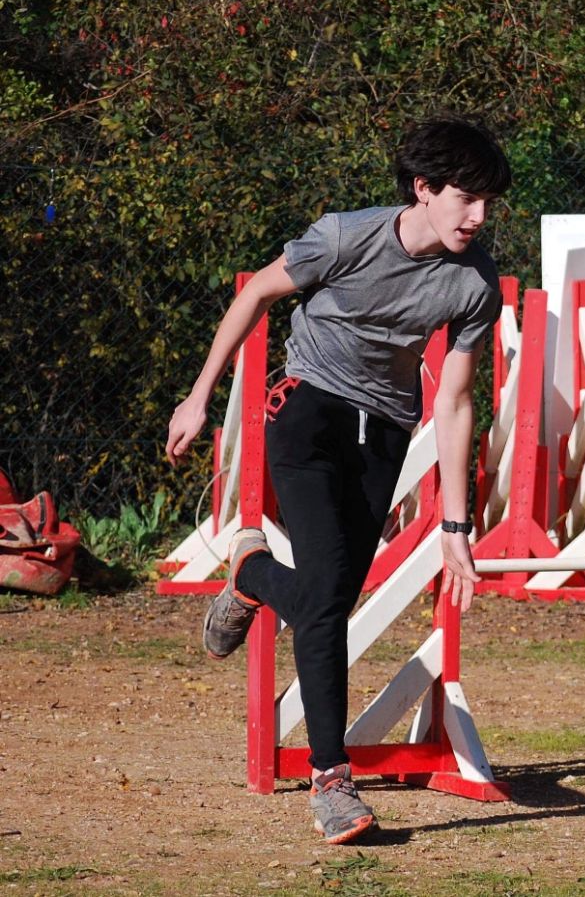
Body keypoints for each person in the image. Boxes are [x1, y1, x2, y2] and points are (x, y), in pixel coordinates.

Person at [165, 114, 512, 845]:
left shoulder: (476, 282)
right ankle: (332, 782)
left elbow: (453, 399)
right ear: (424, 189)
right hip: (308, 413)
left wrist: (456, 526)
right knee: (325, 602)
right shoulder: (346, 236)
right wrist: (199, 395)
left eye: (489, 203)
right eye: (467, 199)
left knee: (332, 601)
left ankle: (252, 571)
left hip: (383, 433)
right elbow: (256, 294)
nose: (479, 217)